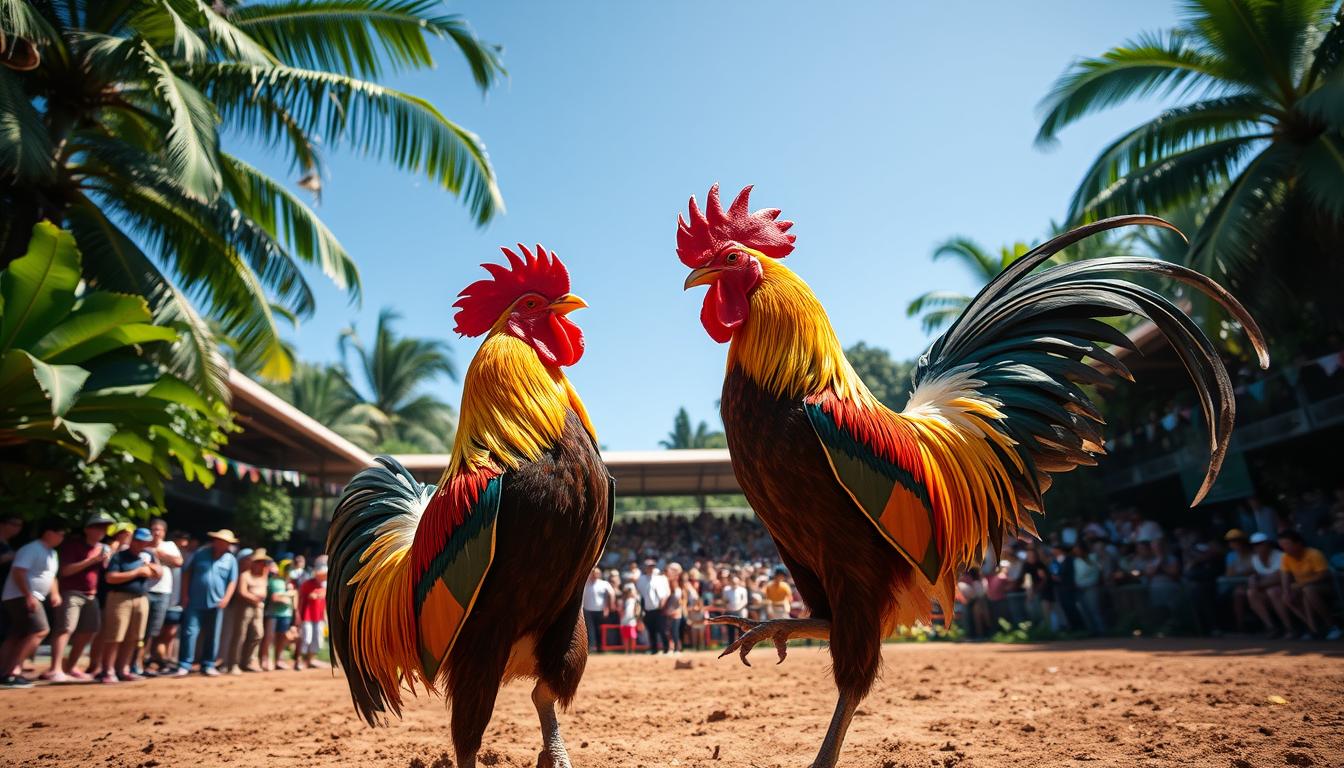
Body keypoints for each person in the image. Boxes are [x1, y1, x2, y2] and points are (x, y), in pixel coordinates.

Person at [44, 513, 114, 682]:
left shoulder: (104, 548)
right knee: (65, 629)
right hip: (71, 592)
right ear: (87, 529)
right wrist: (92, 560)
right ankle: (55, 669)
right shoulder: (72, 545)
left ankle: (71, 667)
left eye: (105, 527)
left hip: (92, 595)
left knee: (90, 630)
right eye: (98, 527)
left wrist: (105, 559)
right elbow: (65, 571)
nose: (102, 531)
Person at [0, 519, 64, 688]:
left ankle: (4, 671)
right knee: (41, 630)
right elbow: (18, 572)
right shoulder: (32, 549)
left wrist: (55, 593)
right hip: (21, 596)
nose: (62, 537)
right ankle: (13, 671)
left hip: (29, 596)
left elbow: (51, 576)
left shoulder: (51, 553)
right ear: (49, 533)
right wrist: (28, 595)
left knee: (17, 634)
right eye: (60, 534)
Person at [96, 528, 161, 683]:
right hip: (119, 598)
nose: (141, 544)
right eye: (139, 541)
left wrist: (150, 566)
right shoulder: (120, 557)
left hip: (141, 598)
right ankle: (108, 670)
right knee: (115, 636)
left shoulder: (149, 555)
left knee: (134, 637)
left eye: (145, 541)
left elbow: (158, 573)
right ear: (133, 540)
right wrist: (137, 572)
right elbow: (110, 578)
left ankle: (123, 669)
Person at [173, 529, 239, 677]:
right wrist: (184, 595)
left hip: (217, 603)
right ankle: (184, 664)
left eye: (226, 542)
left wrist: (226, 598)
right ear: (215, 540)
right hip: (194, 600)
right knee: (189, 632)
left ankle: (208, 664)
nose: (222, 544)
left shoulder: (231, 560)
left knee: (213, 634)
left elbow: (232, 581)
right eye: (220, 540)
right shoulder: (200, 553)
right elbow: (187, 573)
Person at [1275, 530, 1341, 640]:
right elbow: (1285, 576)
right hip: (1303, 588)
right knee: (1287, 597)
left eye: (1287, 544)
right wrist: (1287, 592)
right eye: (1282, 545)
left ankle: (1332, 626)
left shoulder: (1314, 554)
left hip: (1325, 588)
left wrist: (1302, 585)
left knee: (1308, 591)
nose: (1284, 548)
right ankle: (1312, 627)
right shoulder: (1285, 557)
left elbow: (1323, 575)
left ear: (1298, 543)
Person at [137, 518, 182, 675]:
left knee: (153, 631)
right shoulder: (142, 545)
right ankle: (136, 663)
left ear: (164, 532)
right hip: (144, 591)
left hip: (163, 593)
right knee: (140, 630)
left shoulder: (169, 546)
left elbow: (178, 561)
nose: (156, 532)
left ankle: (144, 662)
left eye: (159, 530)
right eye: (154, 529)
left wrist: (159, 554)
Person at [222, 549, 269, 674]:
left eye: (264, 562)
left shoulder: (263, 576)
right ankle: (233, 664)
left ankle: (249, 661)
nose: (263, 564)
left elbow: (264, 592)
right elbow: (242, 592)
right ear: (254, 562)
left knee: (258, 634)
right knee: (240, 635)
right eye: (260, 562)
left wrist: (257, 599)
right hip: (245, 608)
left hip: (258, 608)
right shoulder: (245, 575)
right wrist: (254, 598)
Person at [1245, 532, 1286, 637]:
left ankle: (1289, 628)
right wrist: (1253, 578)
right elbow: (1257, 575)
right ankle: (1271, 627)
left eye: (1261, 544)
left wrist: (1258, 584)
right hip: (1268, 593)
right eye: (1255, 545)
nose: (1258, 547)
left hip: (1285, 590)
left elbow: (1280, 578)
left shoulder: (1280, 556)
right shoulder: (1255, 559)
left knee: (1273, 592)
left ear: (1268, 544)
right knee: (1251, 593)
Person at [262, 558, 297, 671]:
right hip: (273, 613)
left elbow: (292, 598)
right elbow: (275, 598)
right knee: (269, 638)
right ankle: (265, 660)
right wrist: (288, 595)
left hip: (286, 614)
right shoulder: (274, 581)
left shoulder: (289, 583)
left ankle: (278, 660)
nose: (289, 571)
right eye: (287, 568)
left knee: (282, 638)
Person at [296, 562, 328, 670]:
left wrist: (325, 616)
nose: (324, 577)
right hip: (307, 615)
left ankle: (310, 660)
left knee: (317, 639)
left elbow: (325, 603)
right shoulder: (307, 584)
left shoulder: (324, 585)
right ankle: (298, 661)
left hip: (319, 616)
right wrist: (298, 615)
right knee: (307, 638)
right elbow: (300, 599)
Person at [635, 559, 669, 655]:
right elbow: (639, 595)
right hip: (648, 609)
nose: (651, 568)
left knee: (662, 630)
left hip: (659, 609)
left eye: (652, 566)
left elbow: (666, 593)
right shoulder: (641, 579)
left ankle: (666, 648)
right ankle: (654, 649)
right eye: (649, 566)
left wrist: (663, 603)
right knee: (651, 630)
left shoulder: (660, 578)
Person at [582, 568, 614, 653]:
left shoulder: (604, 584)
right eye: (593, 573)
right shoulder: (585, 583)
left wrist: (609, 607)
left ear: (599, 574)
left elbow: (611, 594)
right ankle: (591, 647)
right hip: (588, 610)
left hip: (600, 610)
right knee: (589, 630)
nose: (594, 575)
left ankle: (600, 647)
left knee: (599, 630)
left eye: (596, 573)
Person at [721, 575, 749, 645]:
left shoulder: (743, 590)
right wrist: (727, 607)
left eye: (735, 582)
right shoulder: (726, 590)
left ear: (738, 582)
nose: (734, 583)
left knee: (741, 630)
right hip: (730, 611)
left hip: (740, 612)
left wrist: (738, 609)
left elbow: (745, 601)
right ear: (730, 582)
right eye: (733, 582)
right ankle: (731, 645)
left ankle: (742, 644)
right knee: (731, 630)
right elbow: (724, 600)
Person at [619, 584, 640, 654]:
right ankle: (626, 651)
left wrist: (637, 616)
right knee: (625, 637)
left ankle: (632, 651)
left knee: (632, 636)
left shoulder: (635, 600)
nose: (629, 593)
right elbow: (620, 610)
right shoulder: (622, 601)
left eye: (630, 591)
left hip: (632, 621)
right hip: (624, 621)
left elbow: (637, 610)